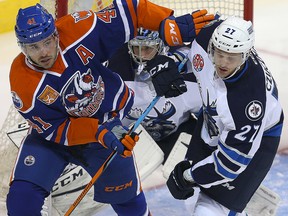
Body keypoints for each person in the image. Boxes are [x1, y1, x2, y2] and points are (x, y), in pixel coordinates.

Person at [7, 1, 215, 215]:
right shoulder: (23, 84)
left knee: (131, 207)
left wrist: (167, 24)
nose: (43, 52)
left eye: (47, 42)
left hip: (107, 123)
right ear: (22, 47)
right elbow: (55, 129)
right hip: (54, 141)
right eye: (33, 47)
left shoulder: (78, 30)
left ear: (56, 35)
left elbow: (132, 10)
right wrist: (98, 132)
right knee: (21, 202)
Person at [166, 16, 284, 215]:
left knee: (207, 210)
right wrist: (171, 61)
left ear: (246, 55)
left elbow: (229, 165)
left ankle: (238, 201)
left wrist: (188, 176)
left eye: (232, 57)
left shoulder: (249, 101)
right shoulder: (207, 38)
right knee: (193, 196)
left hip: (258, 138)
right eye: (219, 54)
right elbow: (189, 50)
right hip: (214, 119)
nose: (223, 63)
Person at [106, 28, 202, 161]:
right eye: (136, 48)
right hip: (129, 140)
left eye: (147, 48)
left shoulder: (182, 69)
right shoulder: (115, 72)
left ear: (160, 46)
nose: (142, 55)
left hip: (175, 134)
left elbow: (208, 114)